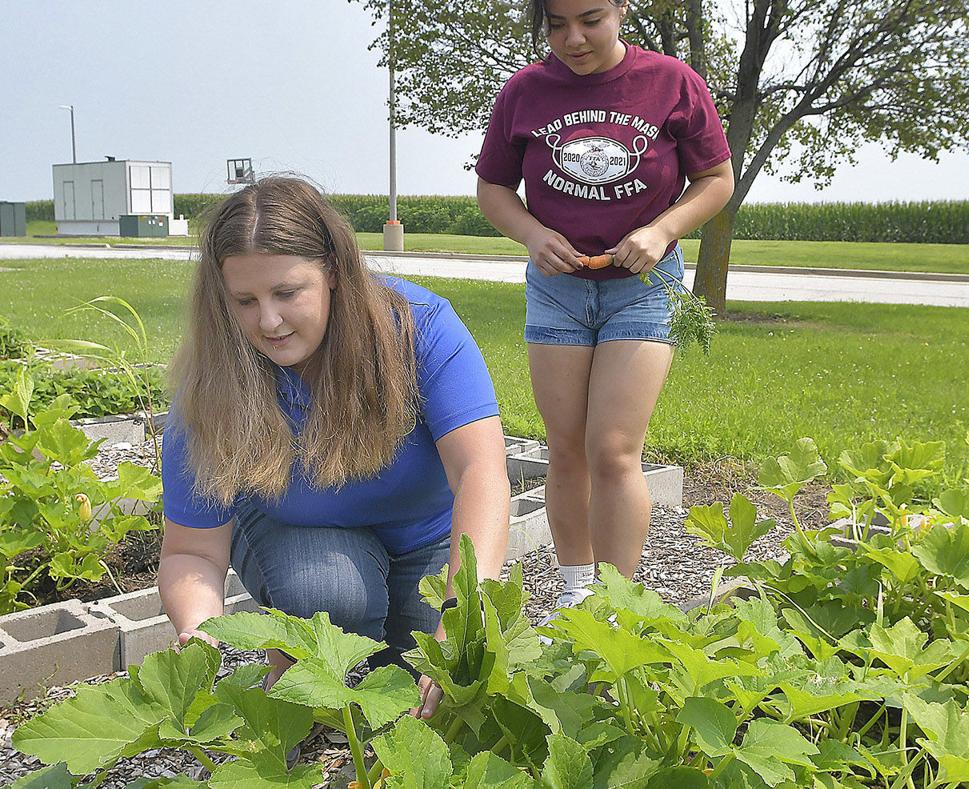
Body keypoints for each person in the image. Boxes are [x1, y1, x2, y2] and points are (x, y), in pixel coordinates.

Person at [157, 176, 510, 719]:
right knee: (330, 598)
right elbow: (193, 551)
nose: (268, 321)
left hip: (426, 540)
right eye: (245, 301)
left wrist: (462, 616)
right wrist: (199, 633)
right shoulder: (212, 382)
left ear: (335, 274)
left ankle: (305, 657)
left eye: (286, 293)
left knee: (434, 684)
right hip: (300, 539)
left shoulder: (420, 328)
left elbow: (481, 475)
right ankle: (298, 644)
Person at [475, 0, 734, 614]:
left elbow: (716, 179)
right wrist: (534, 235)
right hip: (558, 288)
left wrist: (663, 230)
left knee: (613, 449)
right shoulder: (524, 92)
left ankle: (619, 605)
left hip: (642, 287)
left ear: (622, 8)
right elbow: (493, 189)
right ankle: (576, 595)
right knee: (565, 447)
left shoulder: (672, 82)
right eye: (556, 23)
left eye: (590, 19)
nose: (573, 38)